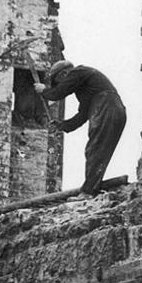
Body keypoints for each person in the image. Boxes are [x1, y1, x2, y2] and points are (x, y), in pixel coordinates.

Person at [34, 60, 127, 194]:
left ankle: (89, 191)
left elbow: (59, 93)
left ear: (64, 73)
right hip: (113, 109)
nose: (61, 84)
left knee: (95, 149)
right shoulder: (87, 90)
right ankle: (92, 186)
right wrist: (62, 125)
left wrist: (44, 91)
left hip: (106, 107)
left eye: (59, 81)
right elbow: (82, 115)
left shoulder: (78, 72)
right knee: (96, 150)